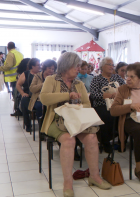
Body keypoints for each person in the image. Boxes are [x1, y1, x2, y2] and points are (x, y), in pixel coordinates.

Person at [40, 52, 111, 197]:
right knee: (68, 139)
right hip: (56, 120)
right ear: (67, 65)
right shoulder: (51, 79)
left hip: (76, 119)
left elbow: (87, 103)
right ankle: (68, 183)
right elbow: (44, 98)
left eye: (79, 66)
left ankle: (94, 176)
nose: (79, 69)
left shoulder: (79, 83)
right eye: (76, 66)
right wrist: (68, 96)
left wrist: (77, 106)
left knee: (92, 138)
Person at [90, 57, 125, 153]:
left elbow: (125, 90)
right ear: (102, 66)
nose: (111, 66)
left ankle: (121, 140)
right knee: (106, 114)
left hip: (117, 103)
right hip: (102, 104)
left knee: (125, 114)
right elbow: (93, 94)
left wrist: (118, 95)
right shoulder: (96, 79)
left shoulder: (117, 78)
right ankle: (105, 142)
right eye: (109, 64)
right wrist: (108, 95)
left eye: (112, 65)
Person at [0, 42, 24, 115]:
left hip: (14, 78)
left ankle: (18, 111)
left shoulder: (10, 54)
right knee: (19, 94)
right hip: (21, 76)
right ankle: (21, 109)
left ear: (8, 48)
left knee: (15, 95)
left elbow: (8, 66)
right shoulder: (20, 54)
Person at [16, 58, 41, 132]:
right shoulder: (26, 74)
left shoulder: (41, 74)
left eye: (40, 65)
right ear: (32, 66)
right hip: (28, 94)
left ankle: (41, 124)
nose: (39, 67)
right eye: (38, 65)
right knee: (24, 101)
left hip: (38, 95)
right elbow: (18, 85)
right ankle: (28, 124)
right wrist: (22, 93)